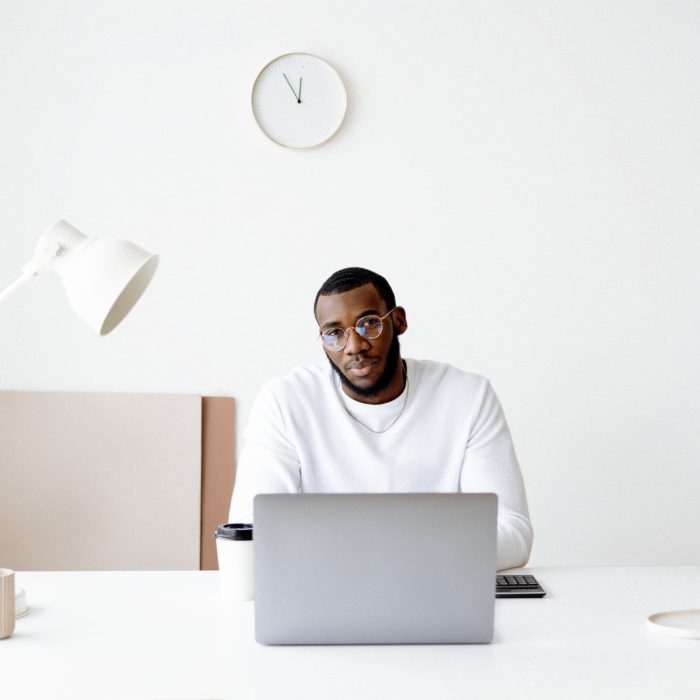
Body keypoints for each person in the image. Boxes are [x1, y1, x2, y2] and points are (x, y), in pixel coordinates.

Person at [229, 267, 533, 570]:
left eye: (368, 324)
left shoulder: (467, 395)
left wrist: (386, 559)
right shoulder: (285, 402)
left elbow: (513, 532)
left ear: (399, 321)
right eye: (334, 333)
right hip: (336, 591)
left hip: (431, 590)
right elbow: (247, 535)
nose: (354, 346)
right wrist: (418, 553)